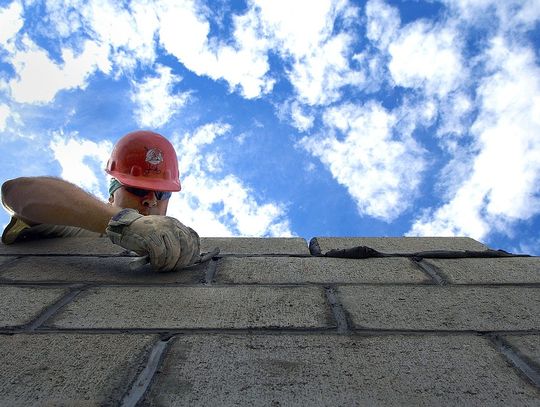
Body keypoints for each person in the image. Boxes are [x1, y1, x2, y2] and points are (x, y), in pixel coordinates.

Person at [1, 130, 201, 272]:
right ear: (112, 195)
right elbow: (16, 192)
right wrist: (125, 222)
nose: (150, 201)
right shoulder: (79, 227)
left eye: (162, 194)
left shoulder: (175, 249)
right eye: (137, 189)